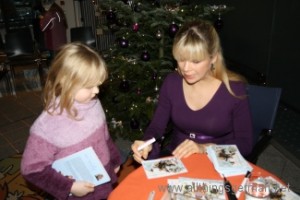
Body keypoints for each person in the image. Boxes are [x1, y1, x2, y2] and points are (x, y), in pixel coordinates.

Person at [131, 20, 253, 163]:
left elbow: (245, 144)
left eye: (195, 61)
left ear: (213, 57)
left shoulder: (234, 90)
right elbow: (156, 127)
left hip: (218, 159)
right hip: (177, 157)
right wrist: (147, 144)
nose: (186, 68)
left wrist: (205, 148)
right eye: (181, 59)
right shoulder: (172, 82)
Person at [21, 43, 121, 199]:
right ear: (67, 81)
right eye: (90, 86)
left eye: (98, 84)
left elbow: (104, 137)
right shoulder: (48, 125)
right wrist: (70, 187)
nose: (96, 91)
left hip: (102, 182)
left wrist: (114, 161)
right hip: (77, 193)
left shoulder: (94, 103)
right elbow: (32, 169)